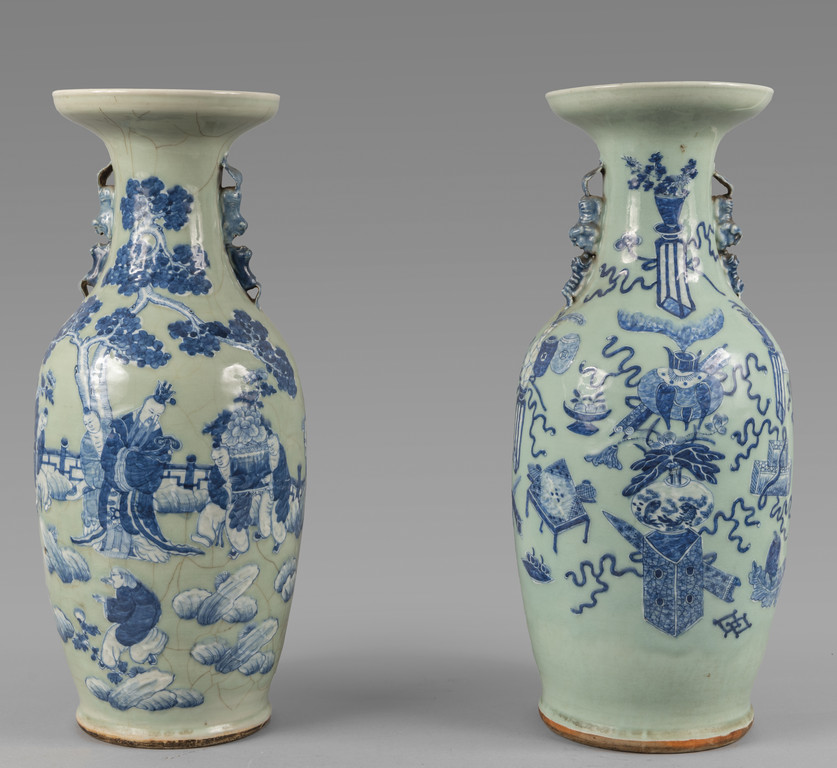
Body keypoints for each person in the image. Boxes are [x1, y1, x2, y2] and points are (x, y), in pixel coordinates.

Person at [72, 382, 202, 561]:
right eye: (151, 412)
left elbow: (155, 468)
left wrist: (139, 464)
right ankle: (108, 544)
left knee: (138, 512)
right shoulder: (122, 425)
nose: (153, 418)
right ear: (142, 408)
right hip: (113, 478)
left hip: (137, 488)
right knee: (108, 511)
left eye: (157, 415)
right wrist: (125, 460)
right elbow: (109, 451)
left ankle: (139, 545)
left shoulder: (156, 435)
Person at [93, 567, 167, 668]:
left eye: (113, 575)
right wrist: (112, 586)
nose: (111, 577)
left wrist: (106, 601)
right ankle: (154, 640)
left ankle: (107, 663)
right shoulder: (135, 588)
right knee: (137, 654)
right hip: (145, 623)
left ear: (122, 577)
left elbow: (123, 611)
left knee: (112, 638)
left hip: (136, 624)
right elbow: (127, 605)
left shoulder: (127, 591)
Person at [79, 408, 106, 535]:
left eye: (91, 421)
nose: (89, 425)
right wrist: (93, 481)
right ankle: (91, 527)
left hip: (111, 476)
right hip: (94, 478)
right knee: (91, 499)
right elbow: (86, 463)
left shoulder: (110, 433)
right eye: (86, 423)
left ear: (98, 419)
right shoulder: (85, 441)